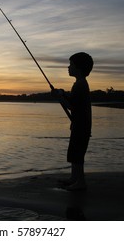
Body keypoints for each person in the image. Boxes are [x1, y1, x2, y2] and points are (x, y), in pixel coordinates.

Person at [55, 52, 93, 191]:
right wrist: (63, 94)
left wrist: (61, 97)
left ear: (79, 67)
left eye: (71, 64)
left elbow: (72, 106)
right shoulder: (80, 83)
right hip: (80, 124)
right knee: (74, 152)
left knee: (77, 154)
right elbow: (73, 101)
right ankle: (74, 178)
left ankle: (80, 182)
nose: (68, 67)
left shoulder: (80, 85)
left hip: (81, 125)